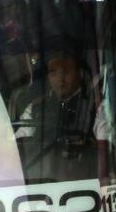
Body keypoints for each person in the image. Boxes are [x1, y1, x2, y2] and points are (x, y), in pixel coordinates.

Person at [15, 50, 98, 178]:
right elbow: (17, 145)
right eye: (53, 72)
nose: (60, 79)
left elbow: (104, 146)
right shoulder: (35, 108)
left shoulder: (94, 106)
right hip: (39, 178)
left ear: (80, 74)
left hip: (83, 178)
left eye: (66, 71)